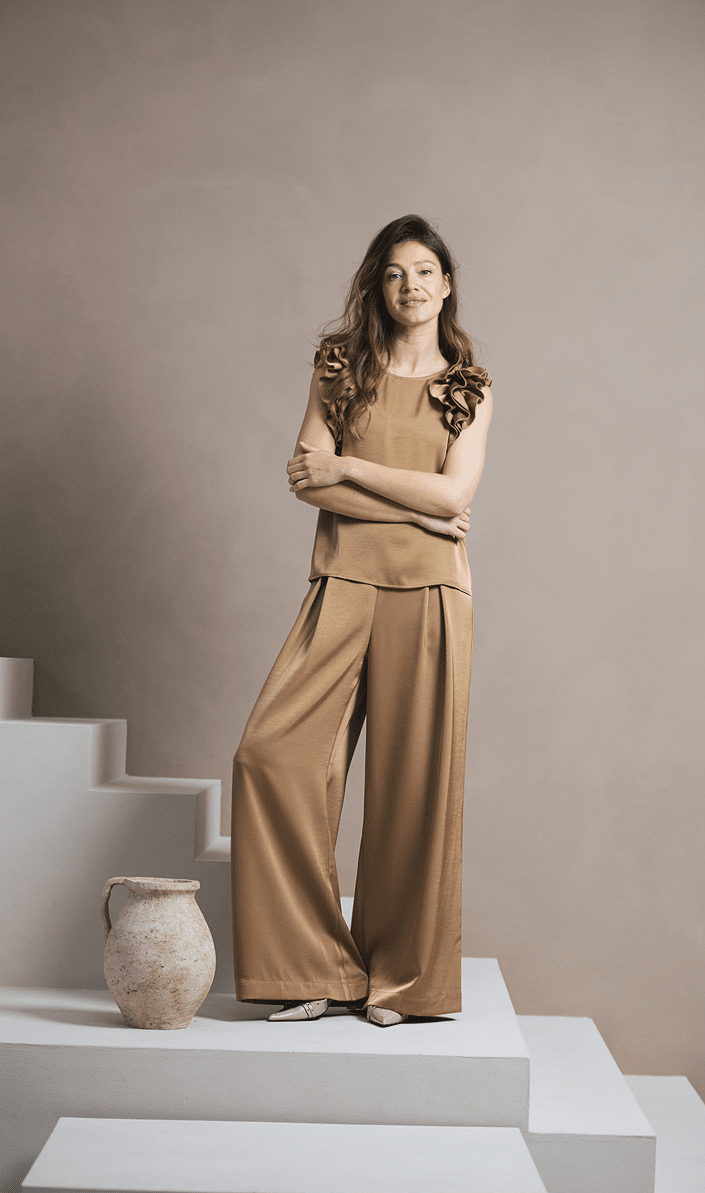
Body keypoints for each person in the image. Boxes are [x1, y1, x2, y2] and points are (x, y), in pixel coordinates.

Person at [230, 214, 492, 1027]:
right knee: (270, 756)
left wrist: (349, 466)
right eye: (393, 273)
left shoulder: (468, 388)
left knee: (416, 791)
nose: (409, 285)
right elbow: (308, 478)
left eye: (424, 271)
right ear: (377, 286)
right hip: (341, 580)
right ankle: (316, 967)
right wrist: (413, 509)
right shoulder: (338, 366)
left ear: (445, 285)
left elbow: (454, 493)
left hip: (432, 595)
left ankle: (403, 983)